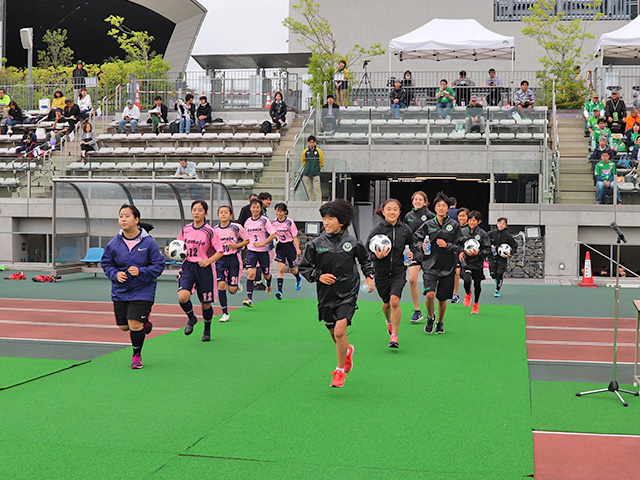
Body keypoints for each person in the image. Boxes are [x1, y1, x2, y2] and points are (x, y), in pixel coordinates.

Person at [298, 199, 375, 388]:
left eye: (330, 218)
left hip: (348, 292)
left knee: (340, 332)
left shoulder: (352, 243)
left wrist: (369, 278)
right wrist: (319, 276)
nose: (326, 222)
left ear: (341, 221)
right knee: (334, 333)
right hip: (326, 295)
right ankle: (347, 351)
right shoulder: (315, 244)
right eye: (324, 218)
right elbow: (304, 267)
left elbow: (365, 261)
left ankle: (340, 372)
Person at [101, 204, 165, 369]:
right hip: (120, 291)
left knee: (134, 324)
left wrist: (141, 271)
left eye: (127, 216)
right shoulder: (114, 243)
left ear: (137, 220)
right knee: (124, 326)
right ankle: (145, 323)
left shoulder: (148, 243)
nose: (123, 219)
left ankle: (136, 355)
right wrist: (115, 274)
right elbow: (106, 263)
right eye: (121, 216)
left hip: (143, 290)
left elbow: (159, 265)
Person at [166, 200, 224, 341]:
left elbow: (220, 251)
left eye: (200, 210)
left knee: (205, 303)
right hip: (188, 267)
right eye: (194, 210)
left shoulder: (209, 231)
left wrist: (208, 261)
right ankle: (191, 318)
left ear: (205, 213)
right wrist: (170, 252)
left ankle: (207, 330)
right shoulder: (186, 229)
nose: (196, 212)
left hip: (205, 269)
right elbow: (178, 246)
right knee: (182, 297)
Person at [413, 192, 464, 335]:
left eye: (444, 206)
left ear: (448, 209)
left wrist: (447, 245)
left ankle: (440, 322)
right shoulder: (427, 225)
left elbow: (460, 246)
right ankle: (430, 317)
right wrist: (421, 246)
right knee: (429, 295)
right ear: (434, 208)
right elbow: (415, 240)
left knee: (442, 299)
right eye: (439, 206)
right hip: (429, 266)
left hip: (448, 267)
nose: (441, 208)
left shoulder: (454, 225)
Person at [366, 199, 414, 349]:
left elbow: (413, 247)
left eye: (395, 209)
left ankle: (394, 335)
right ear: (383, 211)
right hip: (381, 272)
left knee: (394, 301)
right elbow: (367, 252)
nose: (392, 212)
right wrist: (377, 257)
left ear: (400, 212)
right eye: (389, 209)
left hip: (399, 271)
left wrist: (412, 254)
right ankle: (388, 322)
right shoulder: (376, 231)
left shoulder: (406, 230)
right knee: (386, 303)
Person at [213, 205, 250, 323]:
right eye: (221, 212)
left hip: (233, 259)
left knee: (232, 290)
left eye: (226, 212)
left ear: (231, 215)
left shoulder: (236, 227)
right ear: (218, 215)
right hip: (220, 259)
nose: (223, 214)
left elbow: (247, 240)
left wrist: (237, 246)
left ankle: (235, 283)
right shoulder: (214, 230)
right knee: (221, 285)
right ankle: (225, 313)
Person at [403, 191, 434, 324]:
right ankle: (417, 311)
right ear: (412, 201)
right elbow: (404, 233)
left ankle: (431, 312)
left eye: (420, 200)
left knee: (430, 286)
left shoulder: (431, 216)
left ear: (425, 202)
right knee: (411, 279)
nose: (417, 201)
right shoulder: (408, 216)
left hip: (428, 253)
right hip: (414, 252)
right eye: (415, 199)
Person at [242, 198, 277, 307]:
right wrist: (243, 244)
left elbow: (273, 234)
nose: (255, 209)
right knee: (251, 274)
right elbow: (245, 235)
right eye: (253, 207)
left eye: (257, 207)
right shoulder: (247, 222)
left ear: (261, 208)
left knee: (265, 274)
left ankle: (269, 282)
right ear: (250, 208)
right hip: (252, 251)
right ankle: (249, 298)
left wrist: (263, 243)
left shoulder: (264, 220)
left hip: (263, 251)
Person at [459, 210, 491, 314]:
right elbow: (457, 244)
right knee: (467, 280)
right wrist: (460, 252)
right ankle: (468, 293)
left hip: (477, 262)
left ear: (479, 222)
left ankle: (476, 304)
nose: (472, 222)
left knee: (477, 284)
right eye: (470, 220)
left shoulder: (482, 234)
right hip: (466, 262)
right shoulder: (462, 232)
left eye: (474, 221)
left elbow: (487, 249)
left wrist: (478, 253)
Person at [272, 202, 303, 299]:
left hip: (290, 247)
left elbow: (294, 236)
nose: (279, 213)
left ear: (285, 212)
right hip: (280, 247)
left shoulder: (289, 222)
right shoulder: (273, 223)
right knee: (281, 269)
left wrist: (298, 248)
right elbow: (271, 235)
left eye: (281, 211)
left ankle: (298, 278)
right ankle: (279, 291)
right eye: (277, 211)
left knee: (292, 269)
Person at [488, 217, 518, 297]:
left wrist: (510, 254)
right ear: (497, 224)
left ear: (506, 225)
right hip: (492, 257)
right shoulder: (491, 233)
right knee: (493, 274)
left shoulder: (508, 236)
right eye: (499, 223)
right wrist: (489, 249)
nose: (501, 225)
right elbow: (485, 242)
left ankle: (497, 290)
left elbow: (514, 246)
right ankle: (497, 280)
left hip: (502, 258)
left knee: (499, 273)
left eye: (503, 223)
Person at [451, 207, 469, 304]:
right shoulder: (455, 227)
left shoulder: (470, 229)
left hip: (468, 256)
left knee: (467, 277)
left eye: (463, 216)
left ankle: (468, 294)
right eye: (459, 216)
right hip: (456, 254)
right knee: (456, 273)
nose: (461, 218)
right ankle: (456, 294)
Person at [301, 135, 324, 202]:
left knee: (317, 188)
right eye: (310, 142)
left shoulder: (319, 151)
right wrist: (307, 167)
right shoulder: (305, 152)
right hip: (307, 172)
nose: (312, 144)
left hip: (315, 172)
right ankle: (311, 200)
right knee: (309, 188)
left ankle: (319, 201)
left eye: (313, 142)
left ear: (315, 143)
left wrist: (318, 167)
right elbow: (303, 160)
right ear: (308, 143)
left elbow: (322, 161)